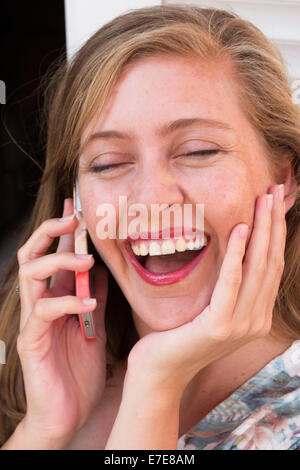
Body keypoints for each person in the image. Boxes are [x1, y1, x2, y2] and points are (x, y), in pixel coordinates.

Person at [0, 4, 300, 450]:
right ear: (77, 201)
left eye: (198, 151)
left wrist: (156, 382)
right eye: (109, 163)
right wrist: (45, 430)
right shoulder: (51, 389)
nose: (151, 200)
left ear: (282, 177)